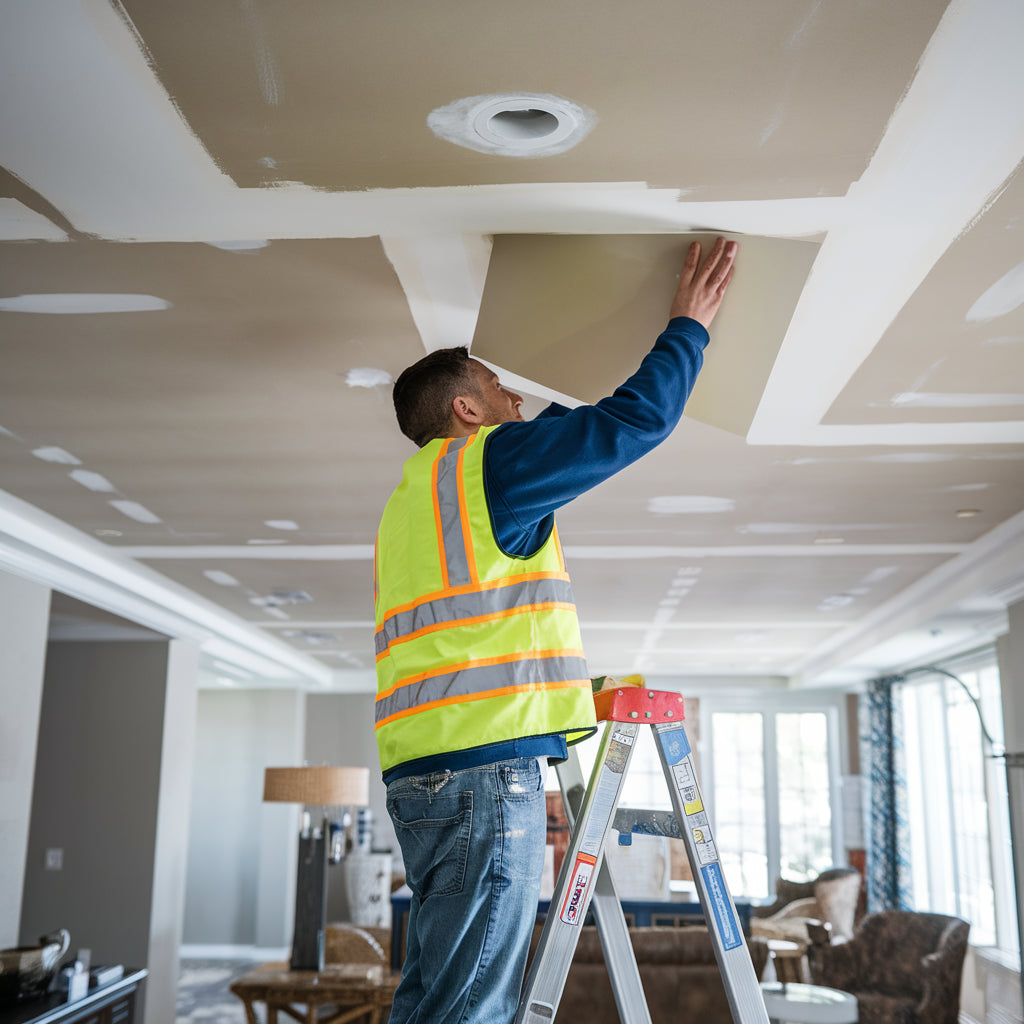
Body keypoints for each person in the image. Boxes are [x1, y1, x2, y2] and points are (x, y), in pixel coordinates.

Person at [374, 237, 738, 1024]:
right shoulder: (490, 466)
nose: (517, 403)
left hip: (422, 774)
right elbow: (635, 422)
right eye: (501, 389)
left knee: (436, 995)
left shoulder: (415, 500)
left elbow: (474, 629)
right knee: (466, 1007)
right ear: (466, 410)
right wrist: (688, 326)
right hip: (478, 774)